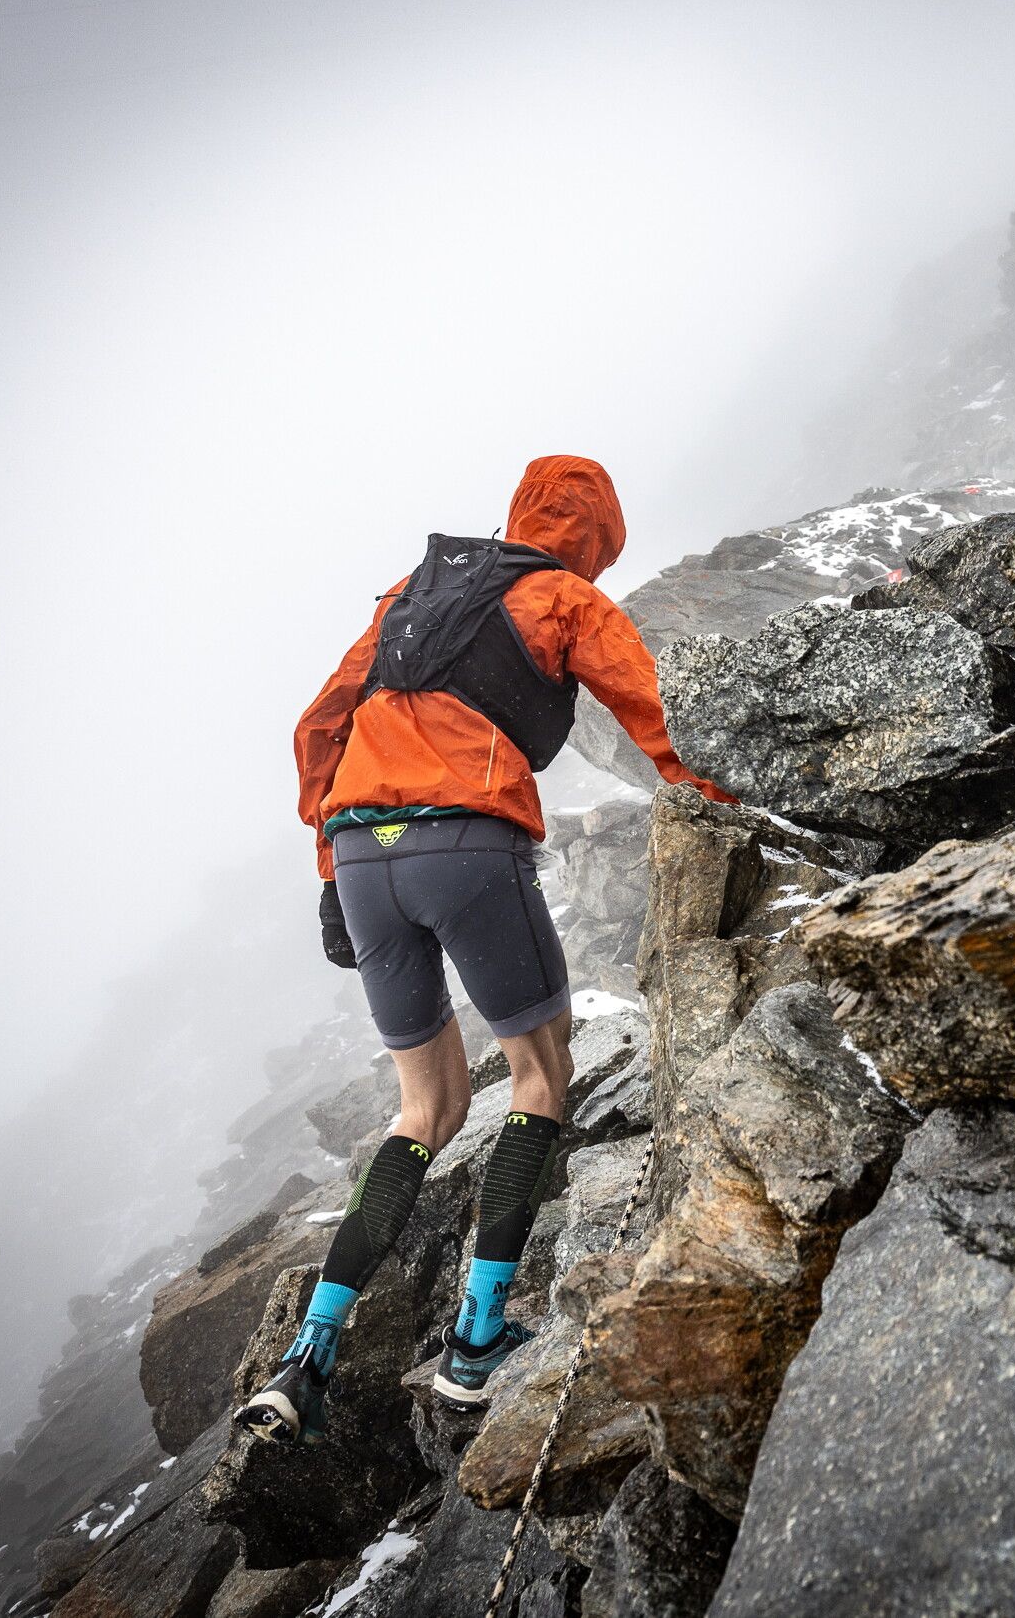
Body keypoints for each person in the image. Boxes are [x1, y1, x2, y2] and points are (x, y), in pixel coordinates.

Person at [236, 454, 732, 1445]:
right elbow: (654, 716)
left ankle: (306, 1356)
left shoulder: (409, 597)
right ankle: (474, 1345)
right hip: (466, 846)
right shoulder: (562, 598)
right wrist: (717, 804)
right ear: (596, 538)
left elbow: (317, 727)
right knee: (539, 1078)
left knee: (422, 1107)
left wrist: (330, 870)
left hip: (362, 860)